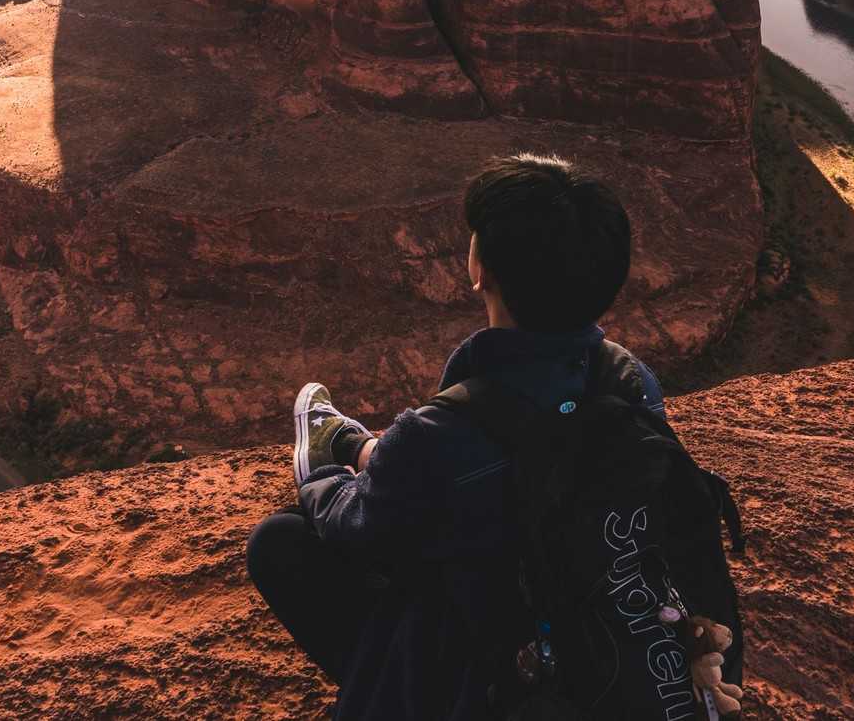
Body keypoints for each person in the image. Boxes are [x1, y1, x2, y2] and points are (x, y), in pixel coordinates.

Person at [245, 153, 742, 719]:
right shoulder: (633, 383)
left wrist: (326, 478)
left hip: (508, 677)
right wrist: (377, 453)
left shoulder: (444, 435)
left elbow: (356, 526)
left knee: (279, 540)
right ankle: (363, 448)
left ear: (479, 268)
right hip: (596, 615)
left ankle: (397, 683)